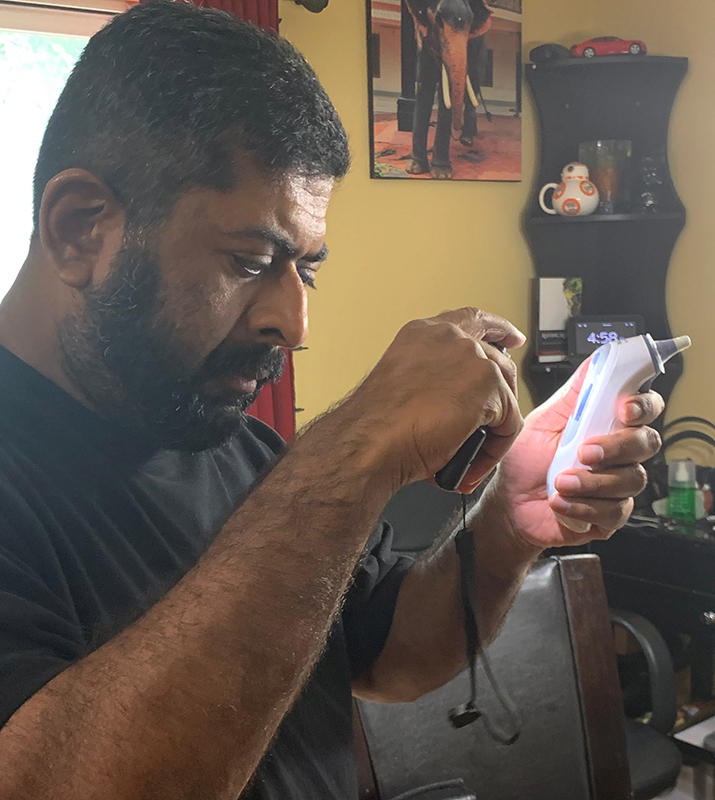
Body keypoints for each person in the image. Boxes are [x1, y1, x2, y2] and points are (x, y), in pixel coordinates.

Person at [0, 2, 663, 798]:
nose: (294, 322)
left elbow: (387, 656)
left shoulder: (224, 438)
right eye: (250, 261)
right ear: (80, 229)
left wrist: (505, 524)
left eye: (304, 269)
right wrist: (354, 446)